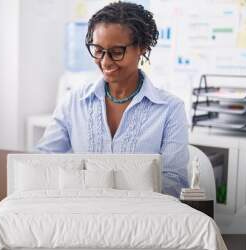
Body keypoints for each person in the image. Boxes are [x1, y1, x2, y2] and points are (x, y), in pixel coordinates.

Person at [36, 2, 189, 197]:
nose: (106, 62)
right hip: (82, 214)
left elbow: (173, 184)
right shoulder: (74, 102)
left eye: (117, 52)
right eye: (98, 50)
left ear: (141, 48)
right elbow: (42, 163)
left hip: (143, 219)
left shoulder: (170, 109)